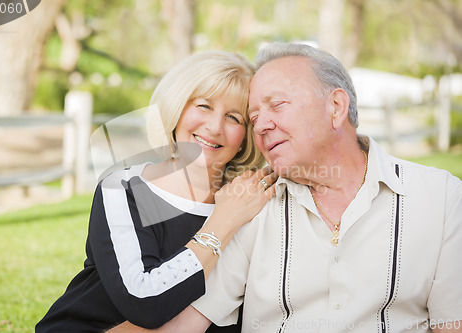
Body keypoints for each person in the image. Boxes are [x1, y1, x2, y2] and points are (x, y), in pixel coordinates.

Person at [110, 43, 462, 332]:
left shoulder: (440, 197)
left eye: (276, 105)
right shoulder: (253, 204)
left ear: (336, 107)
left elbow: (451, 323)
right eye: (252, 117)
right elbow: (185, 323)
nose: (260, 125)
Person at [35, 50, 277, 332]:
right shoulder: (124, 189)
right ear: (176, 107)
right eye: (203, 106)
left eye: (234, 118)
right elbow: (145, 303)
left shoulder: (251, 198)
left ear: (247, 135)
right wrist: (223, 222)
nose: (214, 127)